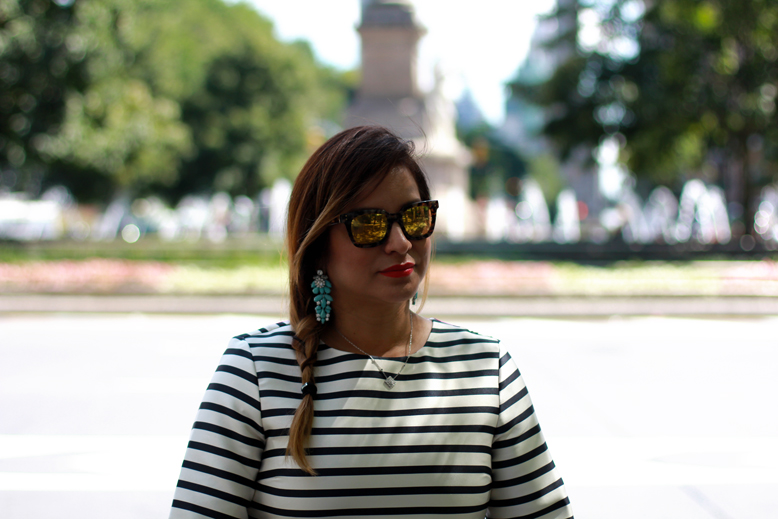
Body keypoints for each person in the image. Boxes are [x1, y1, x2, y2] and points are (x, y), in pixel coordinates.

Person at [170, 126, 574, 519]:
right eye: (369, 224)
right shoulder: (254, 371)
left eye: (414, 217)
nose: (400, 242)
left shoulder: (485, 368)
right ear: (317, 242)